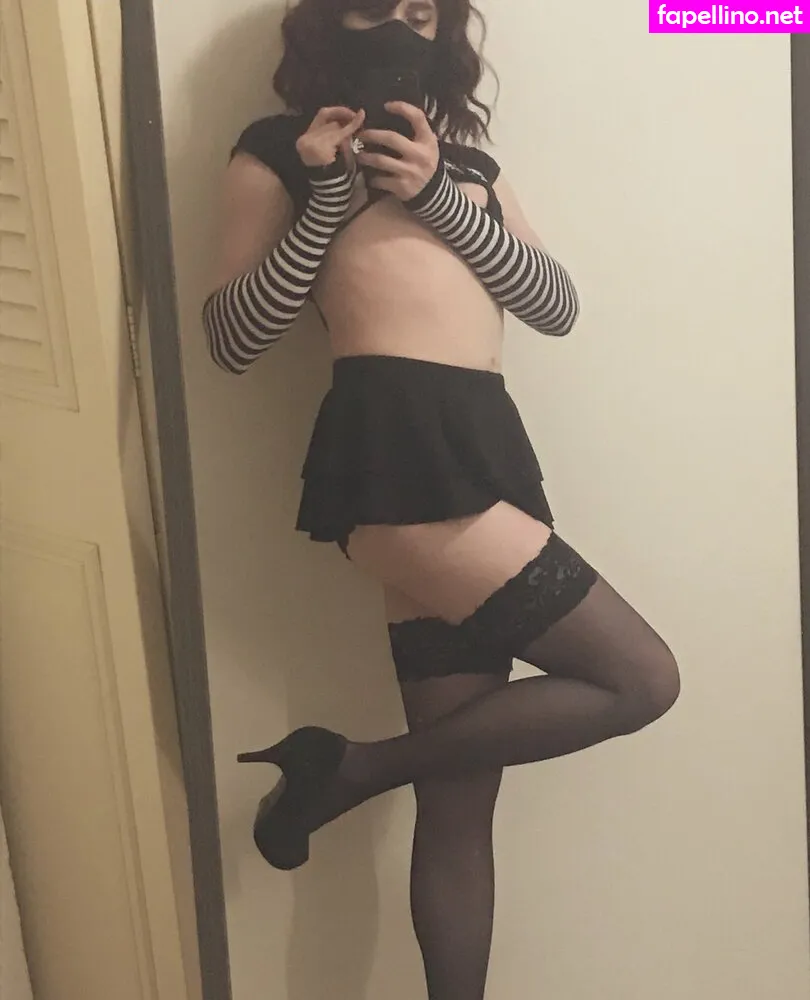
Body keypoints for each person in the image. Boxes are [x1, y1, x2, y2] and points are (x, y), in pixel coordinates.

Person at [204, 1, 680, 997]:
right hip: (395, 456)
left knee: (458, 804)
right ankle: (350, 770)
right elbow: (234, 338)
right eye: (374, 8)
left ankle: (358, 779)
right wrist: (325, 197)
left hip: (485, 451)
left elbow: (555, 304)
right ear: (327, 23)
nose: (400, 29)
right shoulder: (279, 153)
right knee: (642, 678)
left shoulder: (466, 168)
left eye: (421, 12)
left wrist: (438, 197)